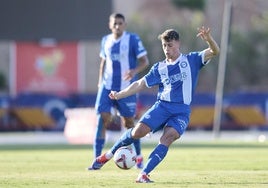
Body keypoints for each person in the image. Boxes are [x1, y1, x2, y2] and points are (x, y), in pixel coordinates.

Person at [89, 26, 220, 183]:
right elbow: (139, 84)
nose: (166, 49)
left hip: (181, 111)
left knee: (168, 137)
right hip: (162, 107)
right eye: (164, 46)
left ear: (178, 44)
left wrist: (209, 40)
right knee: (137, 132)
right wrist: (120, 94)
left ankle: (143, 174)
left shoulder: (192, 60)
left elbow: (215, 51)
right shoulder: (159, 68)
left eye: (170, 45)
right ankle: (106, 156)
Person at [88, 13, 149, 170]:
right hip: (106, 86)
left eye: (120, 23)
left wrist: (134, 71)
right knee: (103, 118)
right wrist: (100, 83)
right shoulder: (105, 41)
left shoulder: (132, 40)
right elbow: (103, 62)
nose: (117, 26)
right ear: (110, 25)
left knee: (129, 124)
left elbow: (145, 61)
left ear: (125, 25)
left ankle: (139, 157)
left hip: (126, 88)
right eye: (114, 23)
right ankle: (96, 160)